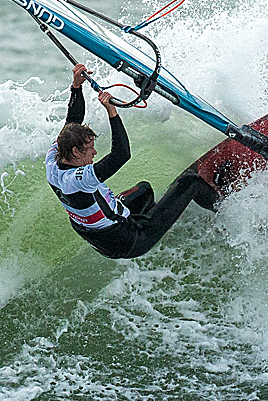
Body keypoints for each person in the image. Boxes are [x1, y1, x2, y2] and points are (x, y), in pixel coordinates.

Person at [45, 63, 218, 259]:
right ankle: (224, 210)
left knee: (144, 191)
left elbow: (72, 120)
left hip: (100, 236)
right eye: (89, 149)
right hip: (130, 240)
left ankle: (163, 218)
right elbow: (121, 156)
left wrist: (77, 86)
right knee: (191, 182)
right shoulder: (78, 180)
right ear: (75, 152)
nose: (94, 153)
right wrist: (112, 113)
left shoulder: (54, 158)